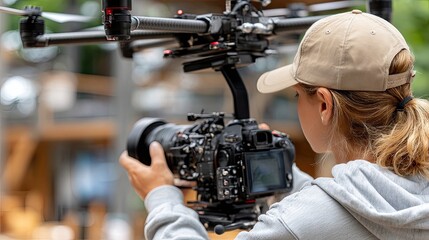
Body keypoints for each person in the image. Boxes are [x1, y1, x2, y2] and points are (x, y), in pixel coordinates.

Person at [119, 10, 429, 239]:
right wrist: (280, 175)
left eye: (297, 95)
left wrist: (161, 199)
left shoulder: (296, 224)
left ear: (324, 104)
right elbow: (348, 211)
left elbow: (320, 217)